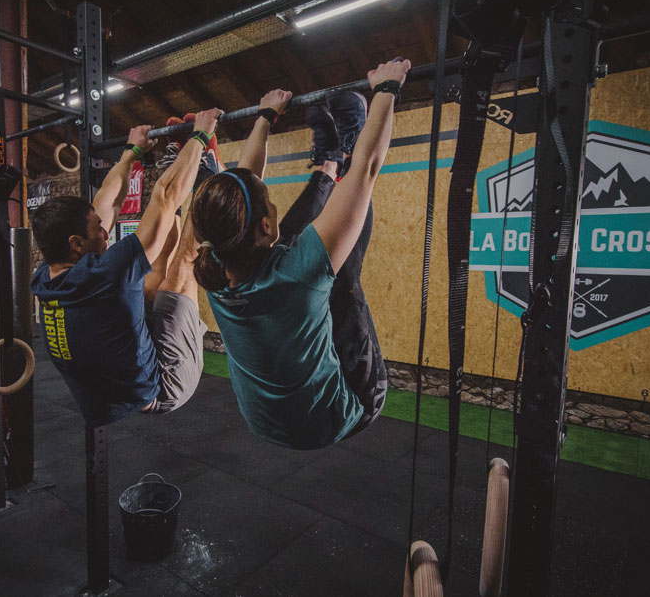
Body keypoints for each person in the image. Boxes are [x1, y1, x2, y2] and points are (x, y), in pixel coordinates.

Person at [190, 58, 411, 450]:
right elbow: (366, 171)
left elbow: (243, 184)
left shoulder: (215, 270)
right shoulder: (298, 277)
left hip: (266, 423)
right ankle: (343, 152)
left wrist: (265, 118)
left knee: (300, 253)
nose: (274, 208)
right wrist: (386, 90)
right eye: (270, 205)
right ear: (264, 226)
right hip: (350, 408)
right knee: (337, 273)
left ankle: (329, 163)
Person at [30, 108, 223, 428]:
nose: (106, 232)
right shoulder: (104, 275)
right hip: (165, 385)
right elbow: (165, 197)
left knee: (152, 274)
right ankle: (207, 176)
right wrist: (201, 136)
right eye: (98, 230)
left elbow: (106, 204)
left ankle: (179, 162)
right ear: (76, 243)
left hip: (125, 375)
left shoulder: (47, 276)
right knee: (180, 268)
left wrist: (131, 152)